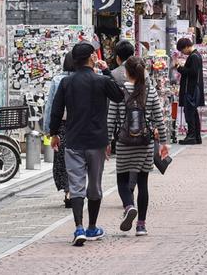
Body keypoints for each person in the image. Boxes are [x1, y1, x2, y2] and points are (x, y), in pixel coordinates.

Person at [49, 42, 124, 246]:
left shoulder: (66, 83)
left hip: (73, 140)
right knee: (95, 185)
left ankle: (78, 228)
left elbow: (56, 110)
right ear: (92, 57)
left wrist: (53, 133)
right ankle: (92, 228)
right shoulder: (101, 81)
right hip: (97, 141)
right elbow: (119, 96)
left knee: (76, 185)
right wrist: (106, 70)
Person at [107, 57, 169, 237]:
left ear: (126, 72)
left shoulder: (119, 93)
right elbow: (159, 118)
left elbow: (111, 119)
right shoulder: (149, 92)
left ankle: (129, 206)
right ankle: (141, 225)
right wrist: (163, 143)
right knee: (143, 183)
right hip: (146, 144)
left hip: (124, 143)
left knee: (122, 180)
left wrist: (107, 142)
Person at [44, 53, 75, 208]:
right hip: (79, 125)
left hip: (61, 125)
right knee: (78, 159)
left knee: (62, 159)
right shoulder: (83, 79)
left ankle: (68, 192)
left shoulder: (57, 80)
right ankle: (75, 190)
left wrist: (49, 129)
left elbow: (50, 106)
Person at [176, 38, 204, 145]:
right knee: (193, 112)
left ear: (187, 46)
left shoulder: (193, 57)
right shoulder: (196, 56)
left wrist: (179, 68)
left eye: (182, 50)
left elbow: (192, 72)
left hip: (191, 89)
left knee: (189, 113)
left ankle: (192, 136)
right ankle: (196, 136)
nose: (183, 53)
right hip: (193, 89)